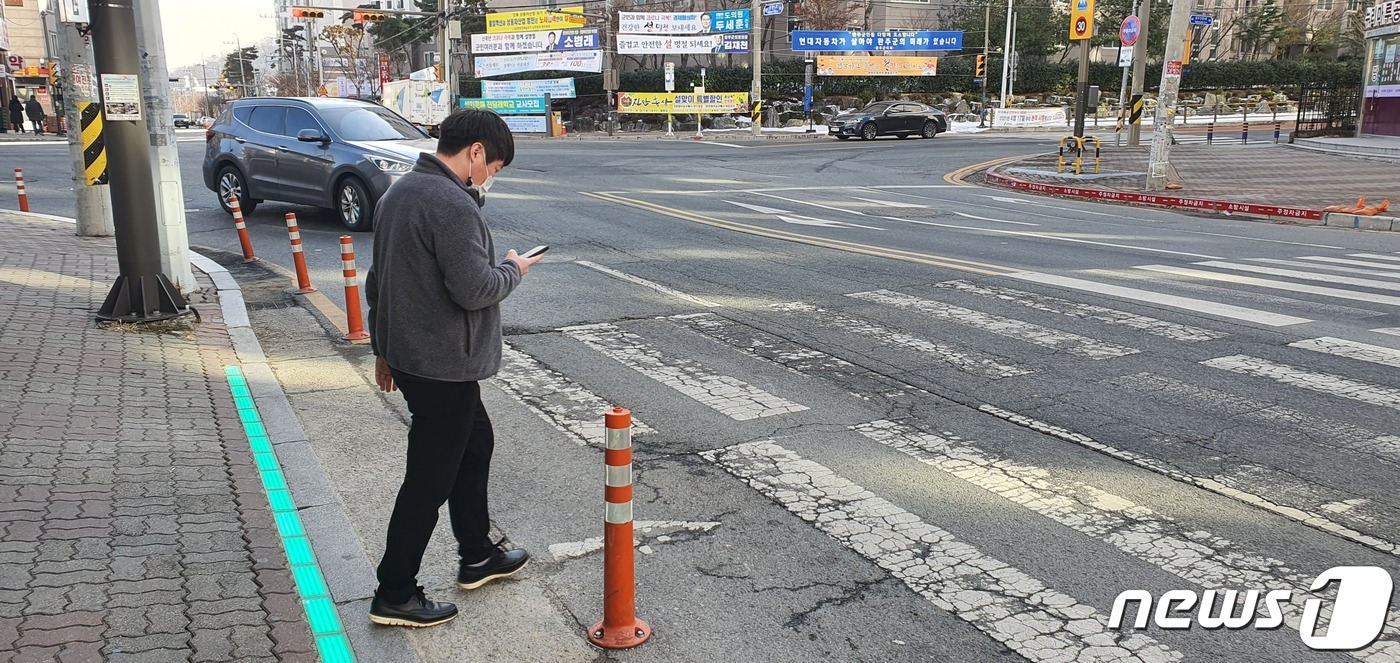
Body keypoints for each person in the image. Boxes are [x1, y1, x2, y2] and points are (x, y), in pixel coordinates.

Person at [363, 109, 544, 628]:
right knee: (428, 479)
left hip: (415, 354)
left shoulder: (401, 191)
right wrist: (516, 268)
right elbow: (476, 289)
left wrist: (384, 346)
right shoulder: (450, 203)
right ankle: (395, 590)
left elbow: (381, 281)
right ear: (477, 153)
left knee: (474, 443)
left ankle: (478, 552)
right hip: (442, 362)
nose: (491, 177)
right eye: (495, 167)